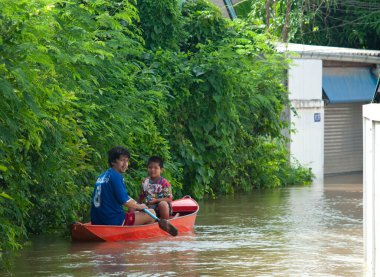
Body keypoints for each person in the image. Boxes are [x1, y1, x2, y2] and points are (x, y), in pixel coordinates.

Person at [90, 146, 156, 226]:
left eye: (127, 161)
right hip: (113, 221)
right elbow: (125, 201)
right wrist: (139, 206)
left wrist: (135, 204)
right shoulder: (116, 176)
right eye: (122, 160)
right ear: (113, 162)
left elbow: (122, 196)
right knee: (152, 213)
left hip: (96, 221)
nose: (125, 164)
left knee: (132, 207)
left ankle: (131, 227)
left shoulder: (103, 176)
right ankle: (135, 234)